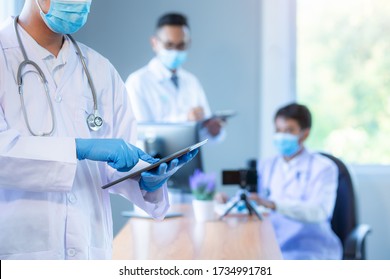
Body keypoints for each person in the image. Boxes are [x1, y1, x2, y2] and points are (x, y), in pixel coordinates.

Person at [0, 0, 196, 260]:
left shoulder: (100, 69)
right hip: (20, 255)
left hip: (90, 252)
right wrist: (78, 149)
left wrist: (146, 179)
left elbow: (119, 161)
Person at [216, 103, 342, 259]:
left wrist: (273, 204)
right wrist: (228, 203)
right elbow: (256, 203)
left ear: (305, 134)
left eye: (289, 130)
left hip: (310, 250)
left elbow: (319, 211)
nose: (282, 136)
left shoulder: (323, 168)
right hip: (272, 246)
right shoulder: (266, 165)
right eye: (278, 130)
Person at [125, 12, 224, 140]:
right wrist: (185, 120)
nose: (175, 51)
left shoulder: (192, 81)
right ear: (154, 43)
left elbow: (203, 136)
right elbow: (141, 134)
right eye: (169, 45)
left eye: (181, 45)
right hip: (154, 160)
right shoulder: (137, 82)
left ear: (189, 43)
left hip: (190, 158)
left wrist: (213, 131)